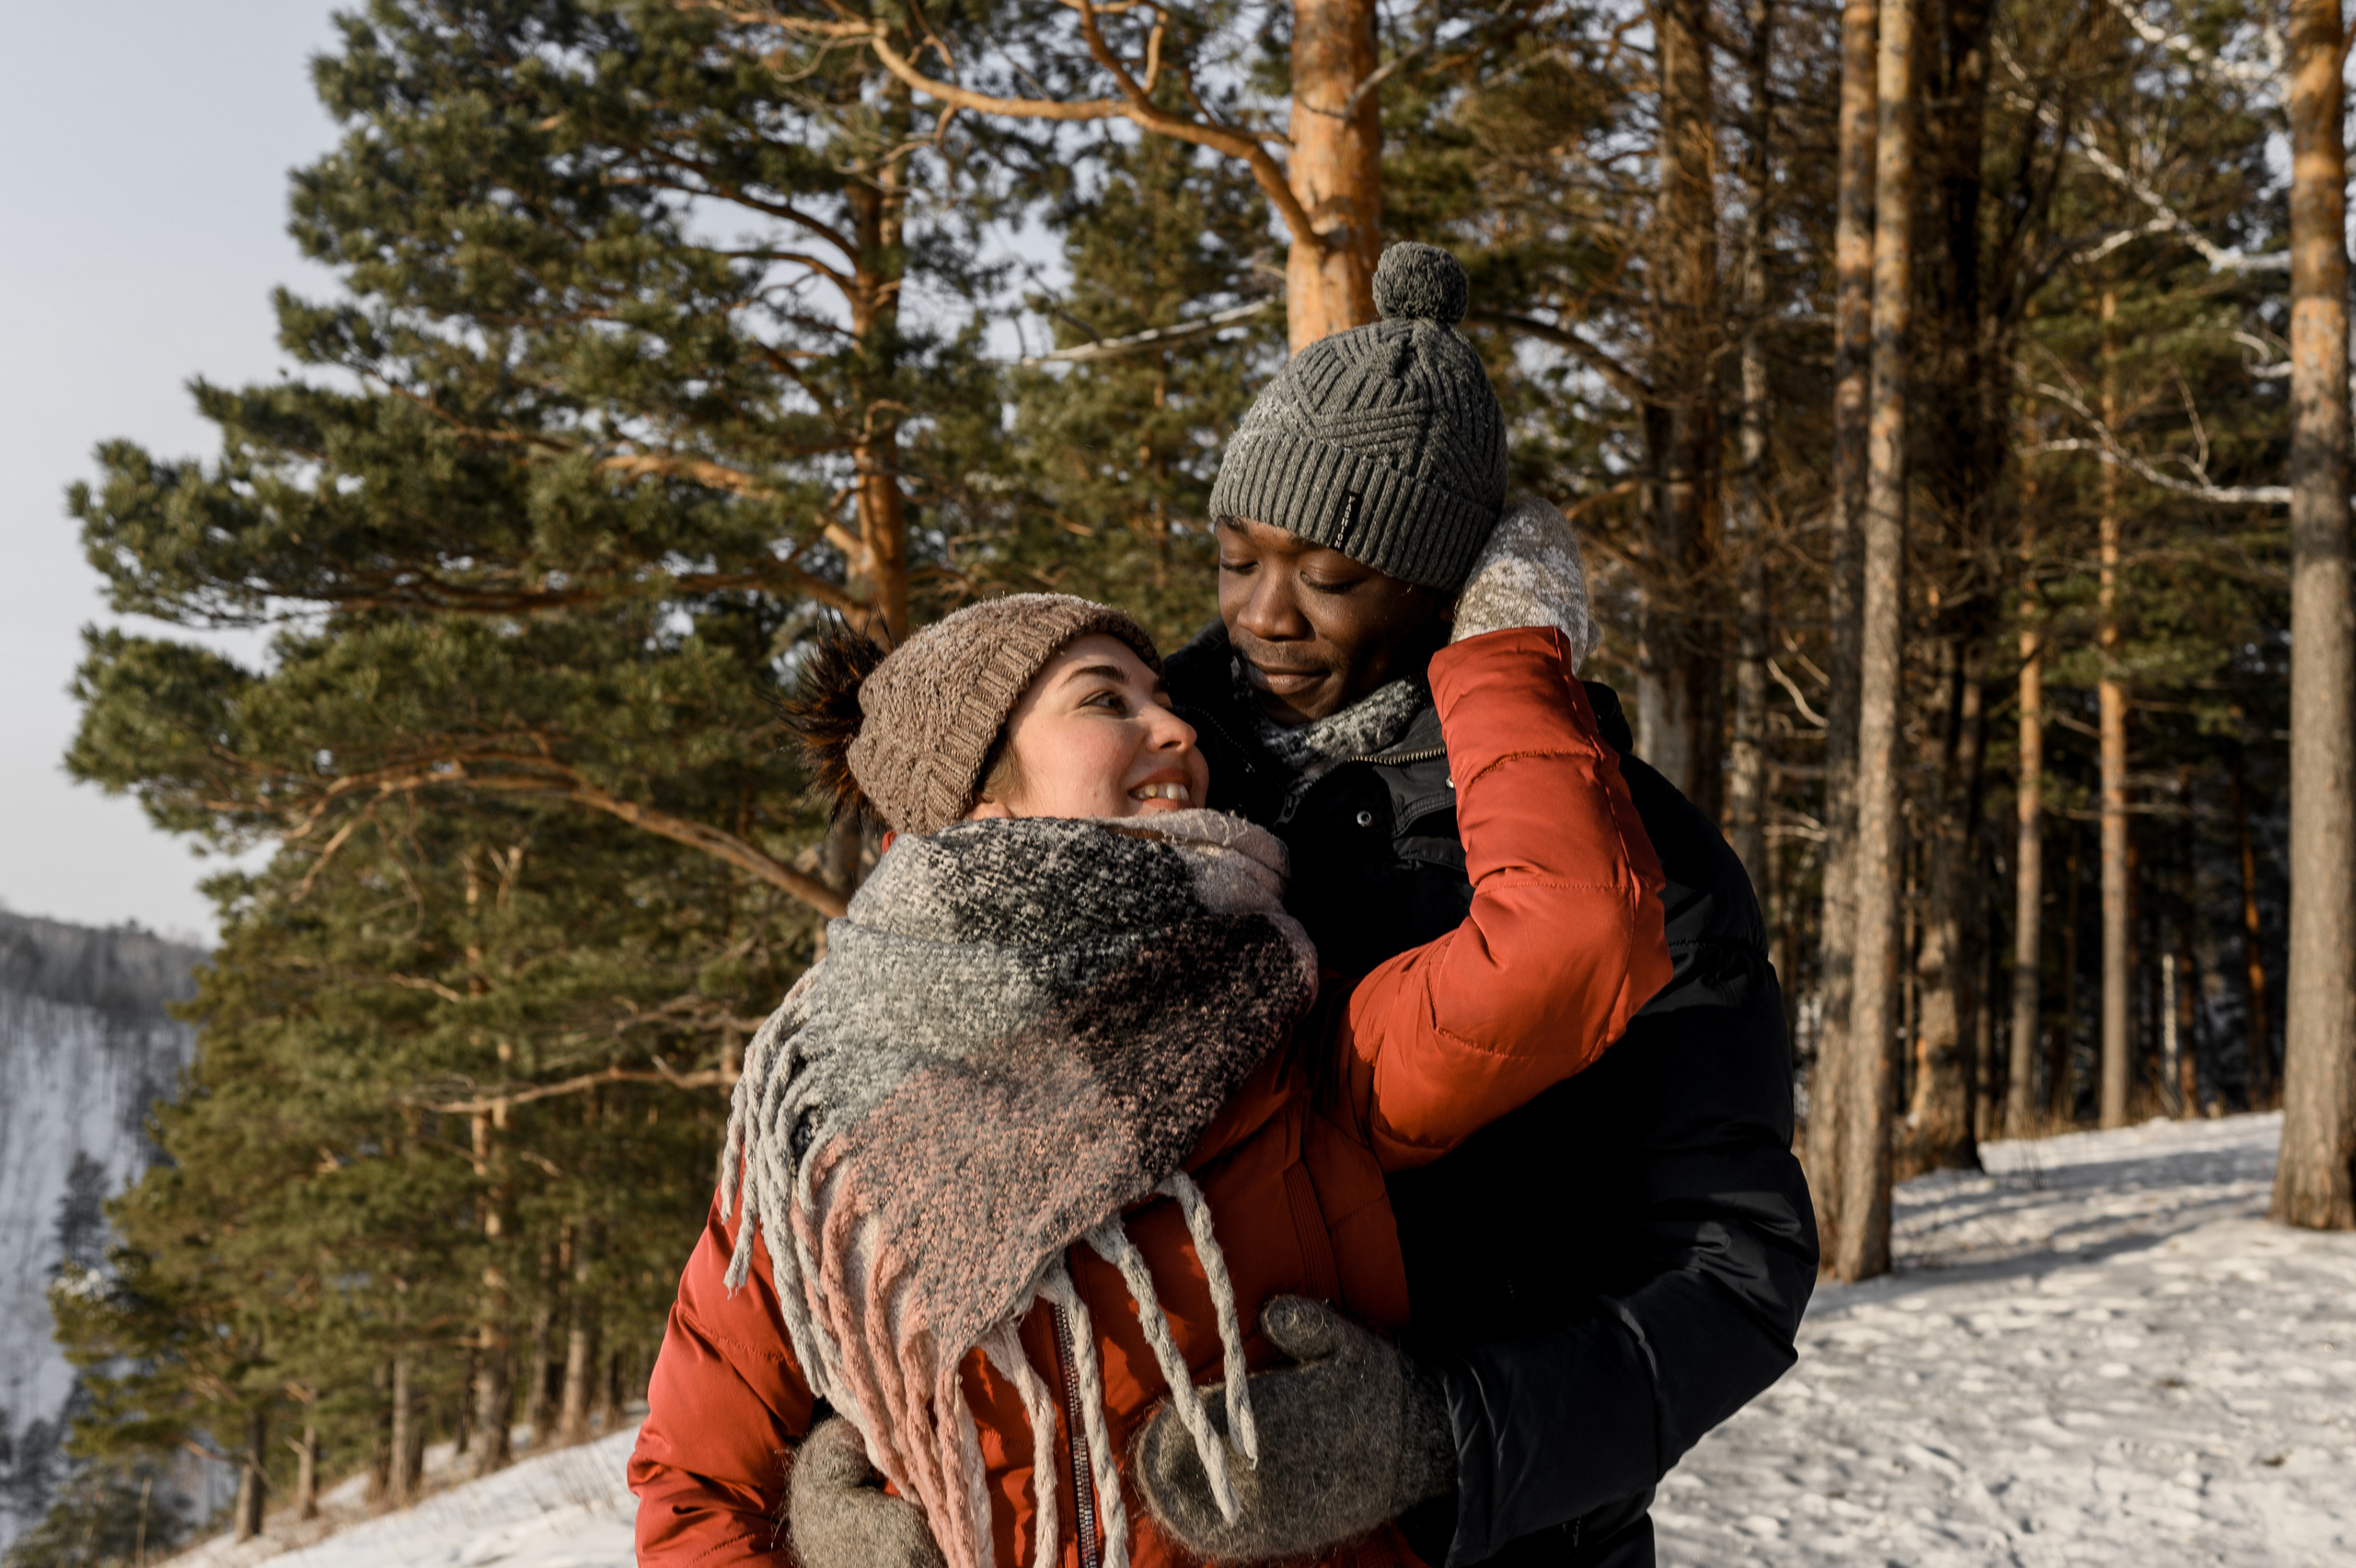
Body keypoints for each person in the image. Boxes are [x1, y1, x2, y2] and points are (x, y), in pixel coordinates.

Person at [628, 584, 1672, 1568]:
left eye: (1166, 702)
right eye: (1104, 701)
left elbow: (1573, 943)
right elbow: (692, 1488)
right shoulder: (821, 1129)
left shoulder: (1284, 1030)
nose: (1175, 731)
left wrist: (1502, 649)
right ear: (975, 795)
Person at [1153, 242, 1820, 1567]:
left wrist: (1439, 1434)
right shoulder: (1135, 778)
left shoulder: (1644, 864)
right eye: (1236, 559)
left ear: (1443, 588)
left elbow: (1733, 1274)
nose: (1263, 617)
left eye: (1331, 577)